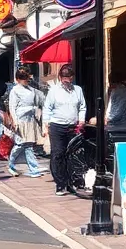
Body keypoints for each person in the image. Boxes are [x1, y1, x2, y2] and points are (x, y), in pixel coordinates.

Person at [43, 63, 87, 195]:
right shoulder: (54, 91)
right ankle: (60, 183)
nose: (66, 79)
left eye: (69, 76)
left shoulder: (77, 90)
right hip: (57, 126)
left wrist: (82, 120)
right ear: (60, 77)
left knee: (74, 154)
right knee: (58, 154)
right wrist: (46, 125)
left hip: (73, 126)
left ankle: (74, 181)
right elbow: (47, 108)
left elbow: (82, 106)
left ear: (72, 77)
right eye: (64, 77)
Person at [6, 67, 45, 178]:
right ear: (18, 79)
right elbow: (12, 106)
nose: (26, 80)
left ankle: (34, 169)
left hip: (30, 118)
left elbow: (39, 98)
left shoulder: (31, 89)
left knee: (28, 145)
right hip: (20, 119)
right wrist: (15, 120)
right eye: (23, 78)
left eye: (27, 77)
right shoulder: (15, 90)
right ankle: (11, 164)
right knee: (20, 144)